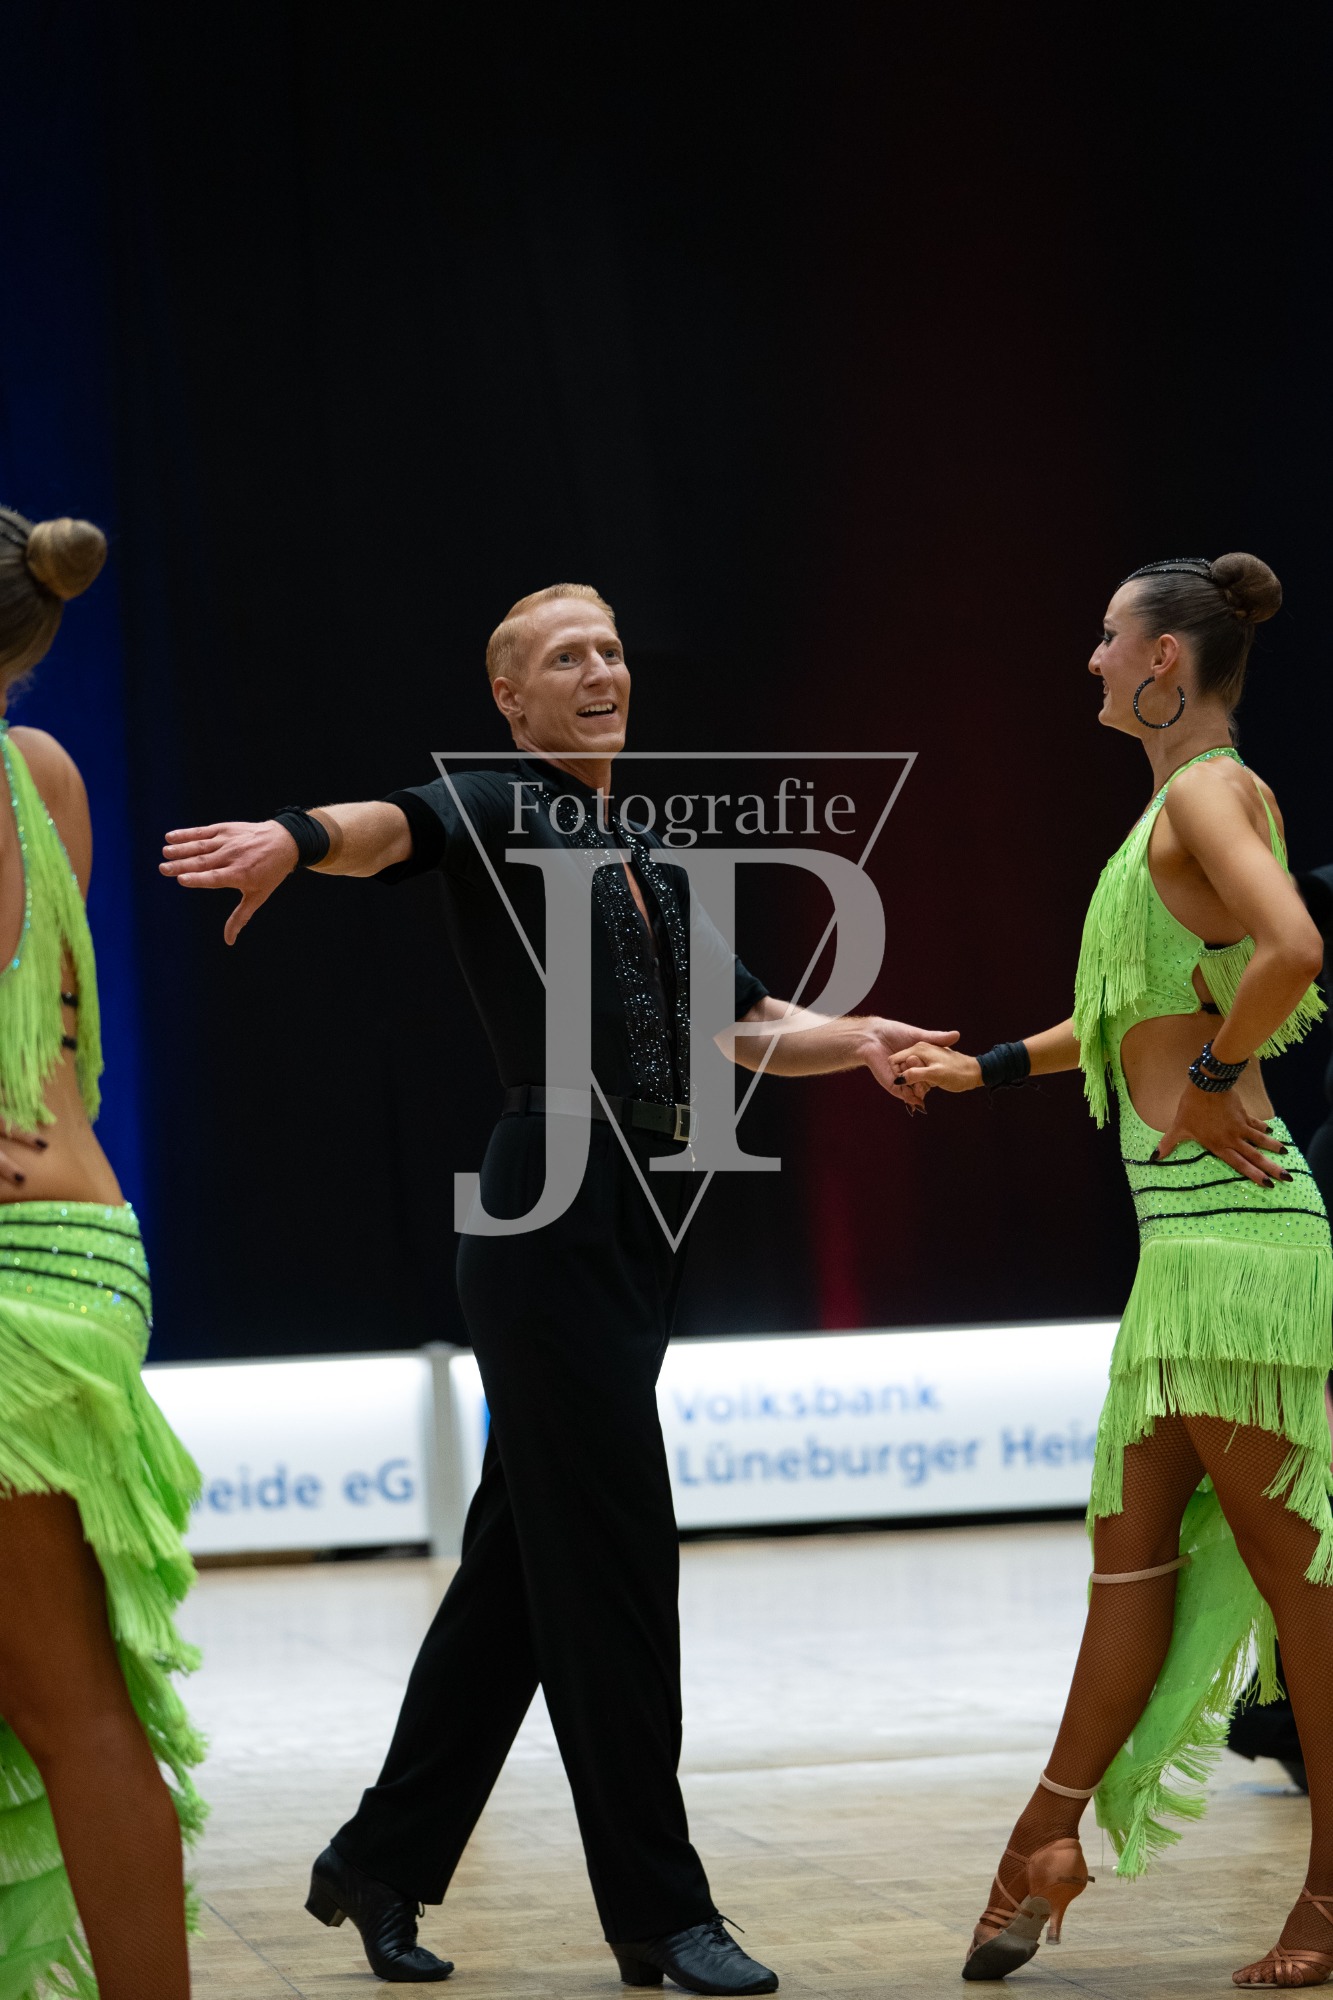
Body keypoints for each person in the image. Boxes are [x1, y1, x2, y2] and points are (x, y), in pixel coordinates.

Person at [160, 580, 955, 1993]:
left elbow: (744, 1025)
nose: (599, 672)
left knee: (522, 1579)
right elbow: (388, 827)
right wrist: (291, 838)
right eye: (563, 658)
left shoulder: (649, 852)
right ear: (510, 702)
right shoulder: (496, 799)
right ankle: (657, 1910)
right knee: (617, 1566)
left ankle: (380, 1859)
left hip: (635, 1222)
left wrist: (862, 1038)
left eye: (610, 650)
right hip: (548, 1215)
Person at [891, 553, 1333, 1988]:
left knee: (1305, 1587)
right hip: (1183, 1251)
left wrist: (1211, 1079)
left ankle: (1329, 1903)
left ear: (1162, 665)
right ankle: (1041, 1846)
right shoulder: (1174, 809)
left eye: (1105, 638)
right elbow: (1129, 1015)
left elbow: (1293, 946)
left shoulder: (1208, 792)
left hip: (1235, 1249)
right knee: (1127, 1569)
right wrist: (983, 1069)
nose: (1089, 658)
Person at [0, 508, 204, 2000]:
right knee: (68, 1709)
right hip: (87, 1246)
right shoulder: (43, 772)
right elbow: (58, 1032)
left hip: (13, 1293)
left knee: (69, 1710)